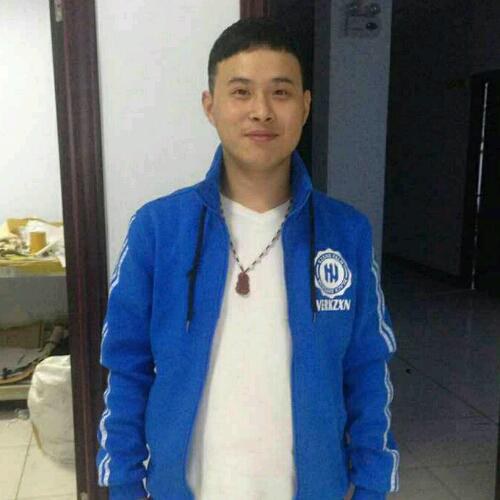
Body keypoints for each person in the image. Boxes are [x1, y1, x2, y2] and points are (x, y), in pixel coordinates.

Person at [96, 16, 400, 500]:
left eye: (280, 92)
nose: (261, 111)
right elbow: (126, 367)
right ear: (210, 106)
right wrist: (125, 483)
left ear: (305, 106)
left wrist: (372, 486)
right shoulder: (158, 228)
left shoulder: (346, 233)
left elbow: (367, 369)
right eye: (241, 92)